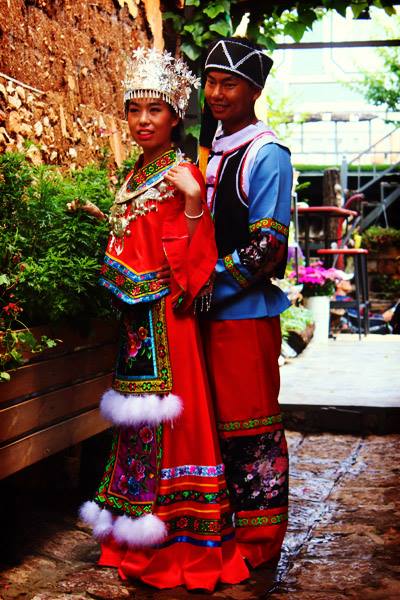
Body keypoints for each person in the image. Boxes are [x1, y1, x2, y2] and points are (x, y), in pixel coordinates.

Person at [77, 47, 249, 591]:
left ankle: (181, 545)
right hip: (136, 325)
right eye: (134, 110)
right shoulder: (136, 172)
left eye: (154, 110)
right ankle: (132, 534)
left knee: (173, 428)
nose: (143, 120)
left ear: (175, 116)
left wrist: (196, 205)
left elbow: (196, 268)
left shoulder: (181, 173)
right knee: (137, 429)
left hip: (168, 325)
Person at [199, 37, 292, 568]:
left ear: (254, 91)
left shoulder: (266, 154)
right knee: (211, 428)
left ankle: (259, 544)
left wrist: (203, 283)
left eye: (229, 84)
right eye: (211, 82)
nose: (217, 93)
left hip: (243, 316)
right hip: (205, 317)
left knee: (249, 429)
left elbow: (266, 248)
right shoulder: (213, 149)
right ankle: (217, 533)